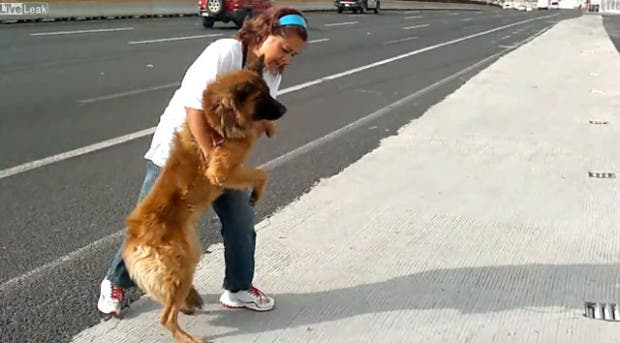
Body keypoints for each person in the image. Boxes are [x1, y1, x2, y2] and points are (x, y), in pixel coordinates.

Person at [97, 7, 308, 317]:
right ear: (265, 34)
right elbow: (193, 107)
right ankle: (115, 282)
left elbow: (255, 117)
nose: (287, 59)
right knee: (153, 223)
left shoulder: (271, 74)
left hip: (220, 158)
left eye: (294, 55)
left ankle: (237, 288)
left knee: (240, 220)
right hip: (178, 152)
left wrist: (229, 157)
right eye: (285, 49)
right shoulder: (223, 52)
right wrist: (211, 154)